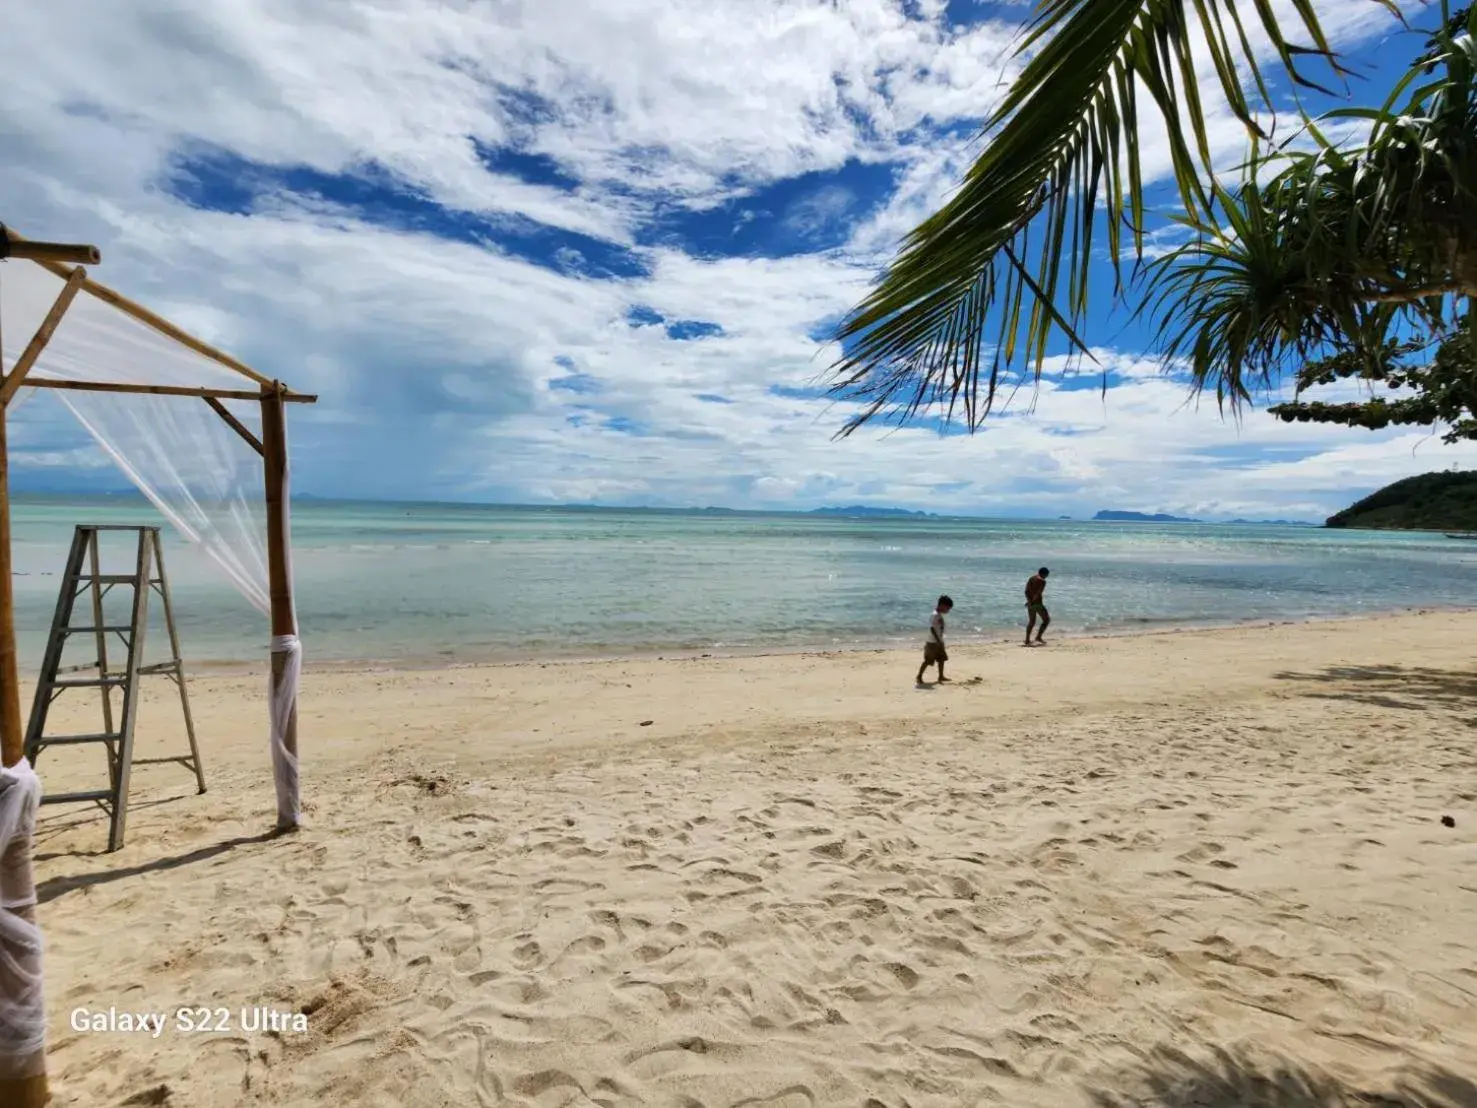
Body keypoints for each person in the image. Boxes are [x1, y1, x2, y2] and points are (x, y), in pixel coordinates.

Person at [916, 594, 953, 685]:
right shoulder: (935, 615)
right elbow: (932, 629)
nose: (948, 611)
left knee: (941, 659)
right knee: (928, 660)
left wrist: (940, 640)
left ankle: (941, 676)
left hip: (939, 641)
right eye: (947, 608)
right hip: (932, 642)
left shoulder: (939, 615)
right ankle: (919, 676)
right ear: (942, 606)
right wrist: (937, 640)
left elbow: (938, 628)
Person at [1024, 567, 1050, 645]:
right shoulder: (1042, 581)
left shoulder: (1031, 578)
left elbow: (1026, 591)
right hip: (1037, 603)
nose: (1047, 576)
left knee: (1032, 621)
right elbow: (1038, 593)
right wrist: (1032, 602)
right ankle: (1038, 637)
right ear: (1044, 574)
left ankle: (1027, 640)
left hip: (1030, 603)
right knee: (1046, 620)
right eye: (1047, 575)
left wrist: (1029, 601)